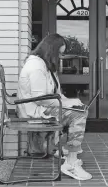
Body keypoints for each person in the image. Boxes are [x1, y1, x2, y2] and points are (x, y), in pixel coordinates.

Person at [17, 33, 92, 181]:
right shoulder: (36, 67)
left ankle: (69, 150)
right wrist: (67, 104)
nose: (60, 57)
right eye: (59, 53)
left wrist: (71, 102)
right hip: (35, 113)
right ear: (51, 50)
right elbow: (40, 99)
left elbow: (54, 94)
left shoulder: (45, 65)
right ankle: (70, 163)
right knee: (78, 115)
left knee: (81, 109)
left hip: (41, 109)